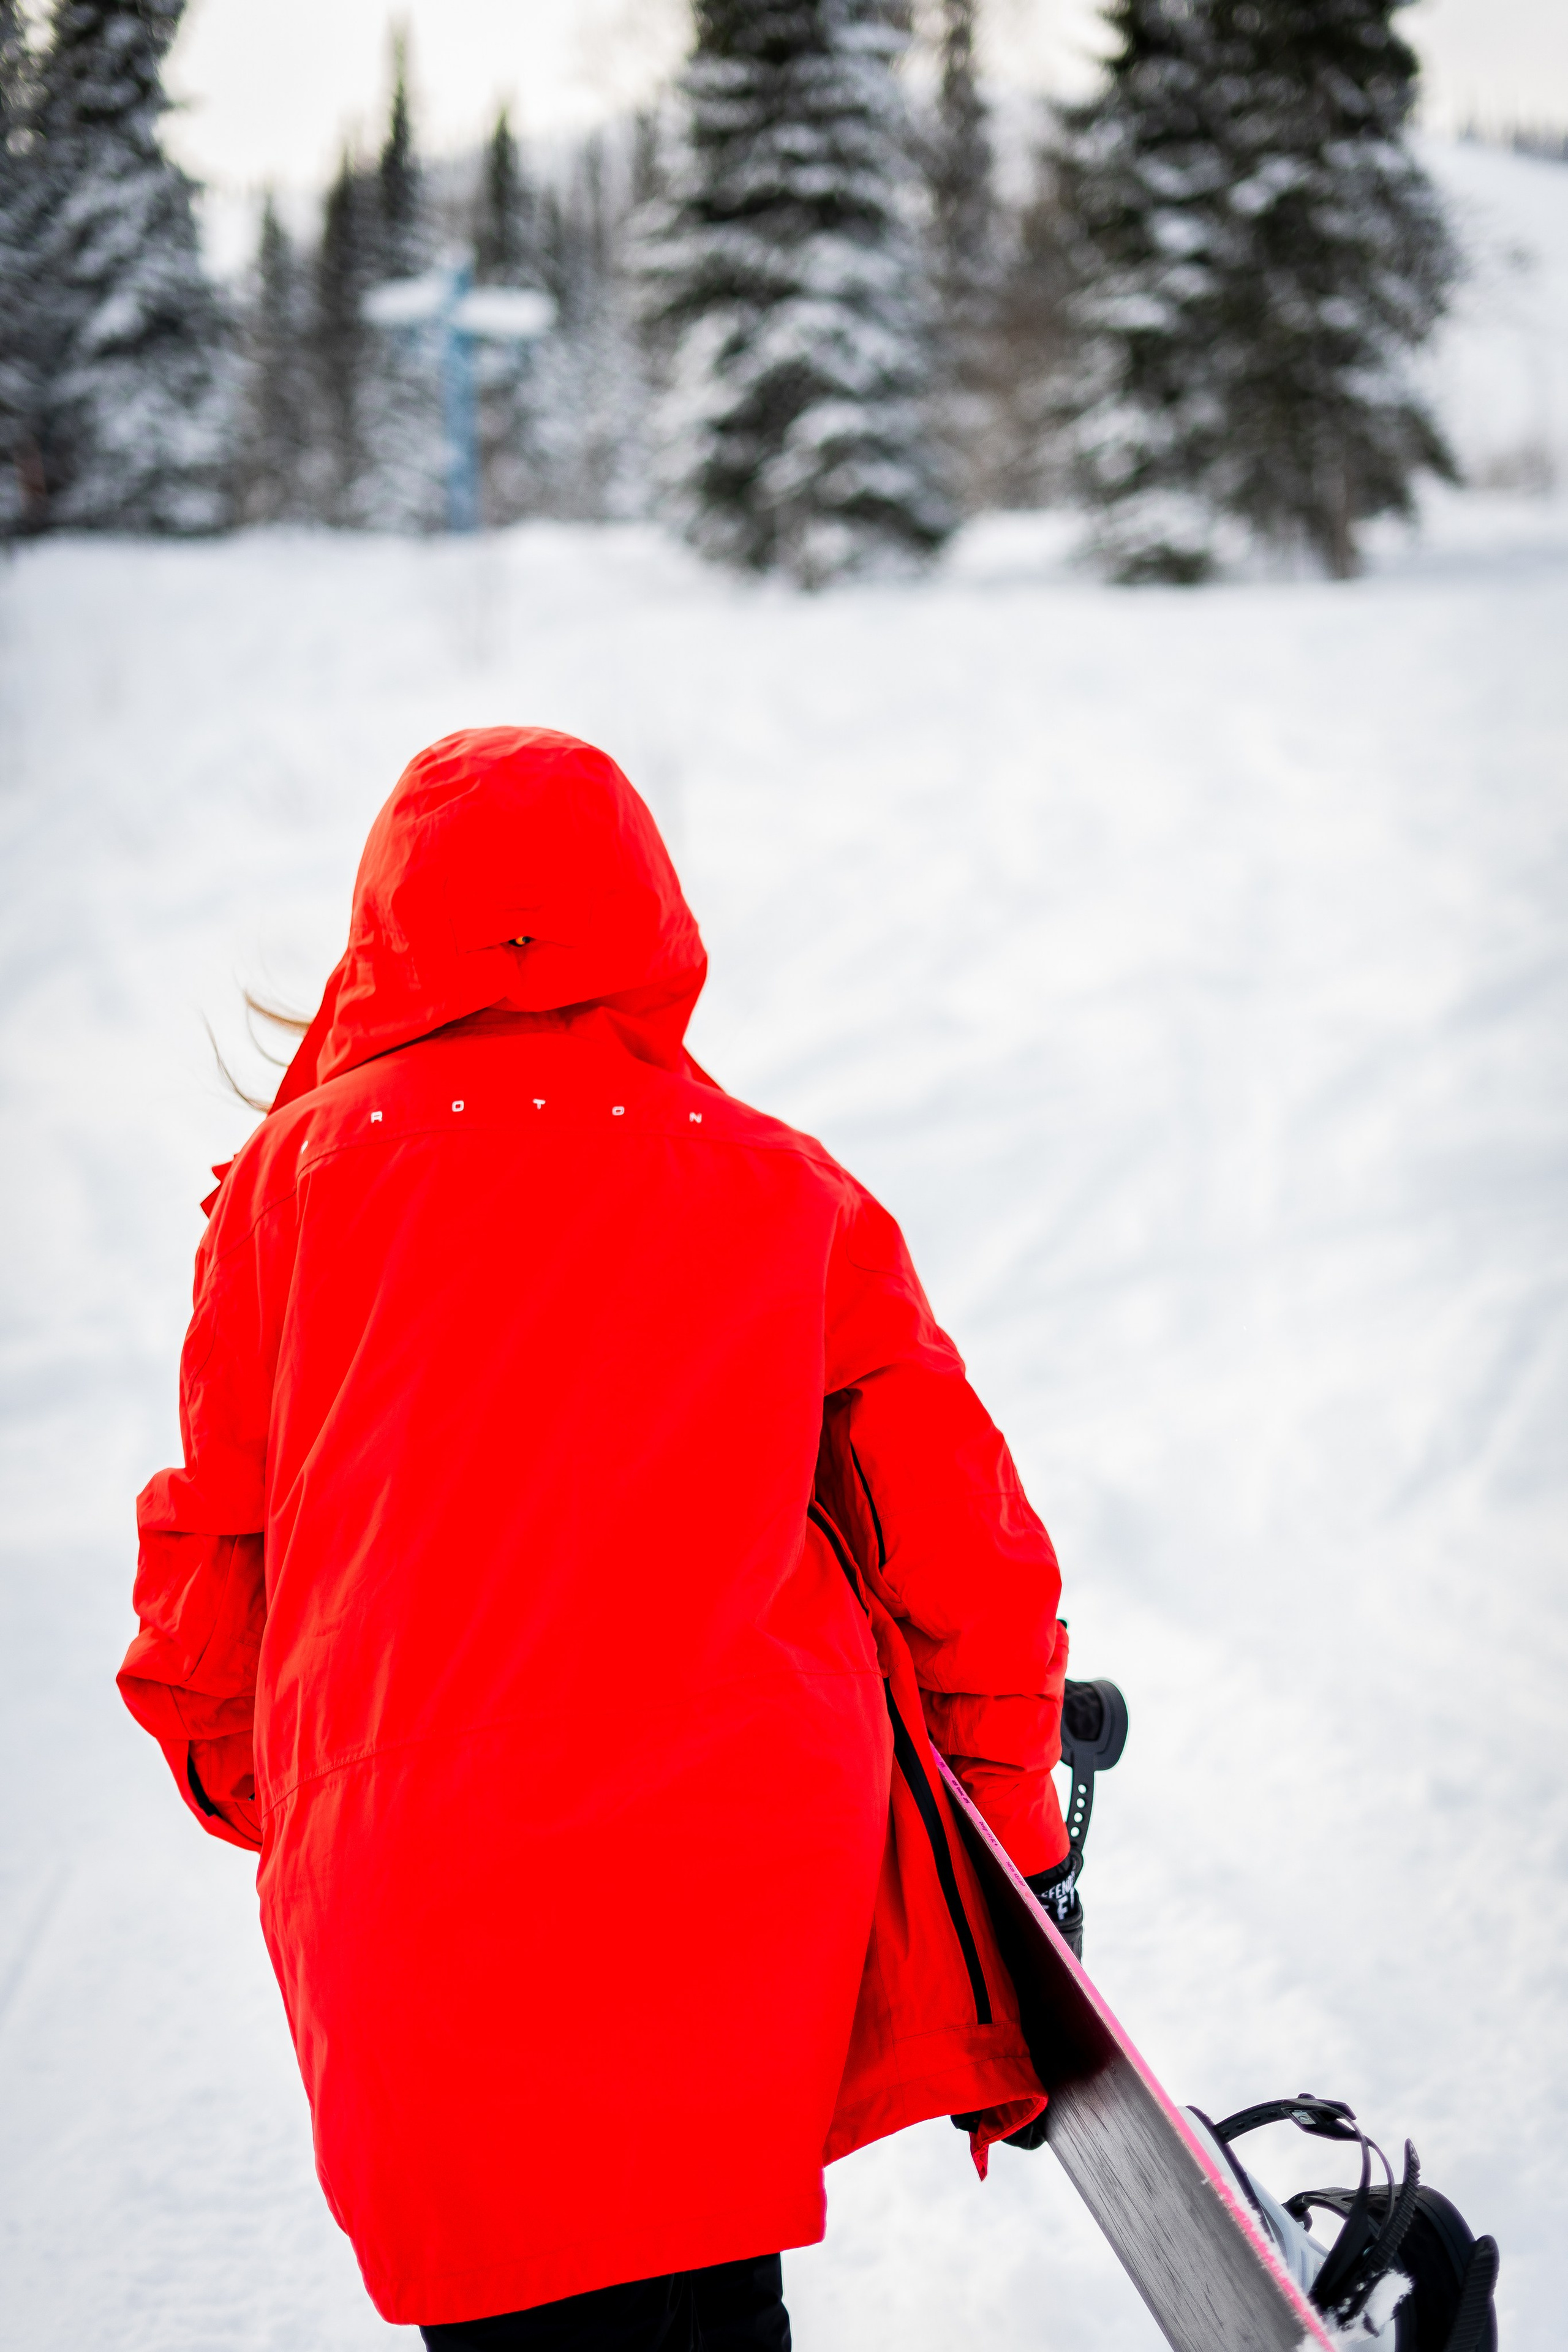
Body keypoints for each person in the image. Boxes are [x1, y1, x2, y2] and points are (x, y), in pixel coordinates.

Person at [118, 728, 1076, 2348]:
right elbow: (963, 1547)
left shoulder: (291, 1185)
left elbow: (216, 1556)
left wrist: (294, 1797)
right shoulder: (785, 1186)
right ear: (649, 917)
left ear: (387, 923)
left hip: (411, 1876)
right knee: (708, 2294)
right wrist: (1017, 1846)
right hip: (739, 1866)